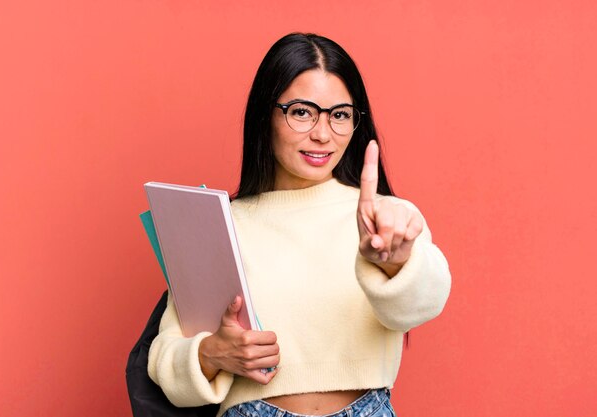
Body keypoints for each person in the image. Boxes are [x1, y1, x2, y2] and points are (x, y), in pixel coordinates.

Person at [147, 32, 451, 417]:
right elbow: (164, 357)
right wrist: (211, 354)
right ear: (265, 115)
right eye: (302, 112)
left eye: (339, 115)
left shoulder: (384, 219)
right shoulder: (222, 225)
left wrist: (394, 263)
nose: (323, 134)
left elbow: (425, 302)